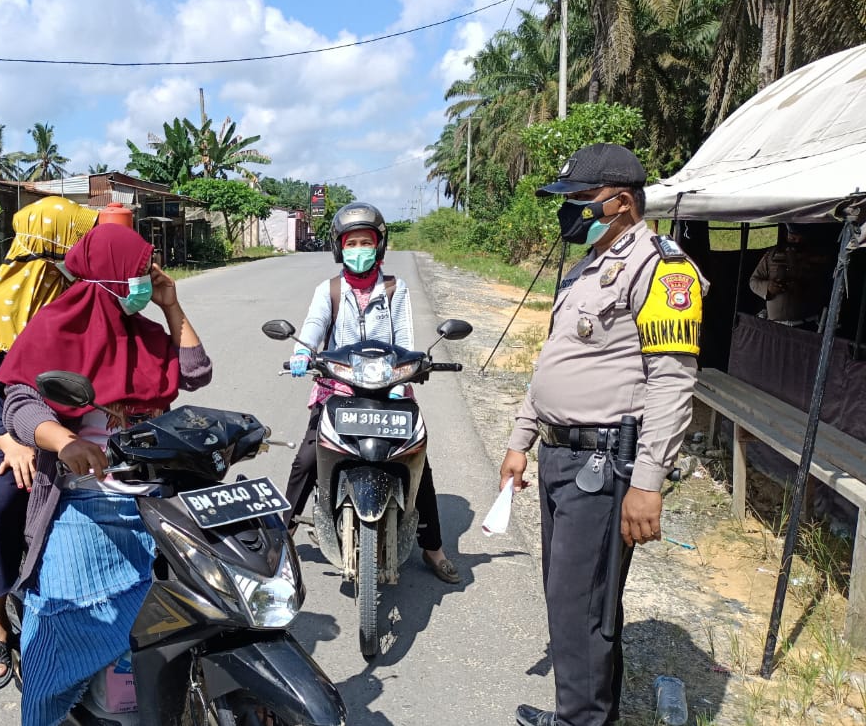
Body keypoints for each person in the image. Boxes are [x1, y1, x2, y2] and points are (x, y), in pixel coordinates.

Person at [502, 144, 706, 726]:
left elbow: (671, 383)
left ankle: (581, 720)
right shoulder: (585, 268)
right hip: (561, 459)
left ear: (620, 202)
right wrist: (521, 439)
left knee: (582, 607)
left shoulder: (663, 269)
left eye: (578, 200)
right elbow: (553, 365)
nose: (568, 212)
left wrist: (648, 482)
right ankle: (583, 715)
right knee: (572, 601)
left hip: (604, 466)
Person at [0, 223, 212, 726]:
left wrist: (171, 305)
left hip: (157, 494)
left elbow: (197, 372)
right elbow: (21, 405)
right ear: (110, 276)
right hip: (84, 496)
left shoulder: (150, 333)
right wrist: (65, 442)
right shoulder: (53, 326)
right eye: (137, 272)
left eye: (147, 272)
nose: (145, 279)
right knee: (63, 618)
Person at [0, 196, 98, 691]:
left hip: (74, 426)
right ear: (55, 242)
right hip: (5, 430)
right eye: (79, 236)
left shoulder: (84, 294)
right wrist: (8, 440)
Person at [284, 201, 460, 584]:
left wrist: (410, 373)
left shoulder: (395, 289)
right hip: (337, 388)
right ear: (339, 248)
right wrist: (303, 351)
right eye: (351, 243)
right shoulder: (328, 290)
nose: (359, 250)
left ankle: (434, 548)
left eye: (366, 242)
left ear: (379, 247)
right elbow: (314, 324)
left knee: (418, 465)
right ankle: (282, 536)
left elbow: (405, 338)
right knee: (307, 460)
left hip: (389, 391)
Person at [748, 223, 835, 328]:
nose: (796, 242)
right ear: (787, 236)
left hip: (805, 326)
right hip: (773, 327)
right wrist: (767, 288)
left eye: (800, 239)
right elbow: (753, 281)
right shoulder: (772, 255)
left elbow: (828, 287)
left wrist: (803, 290)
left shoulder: (818, 258)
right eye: (793, 238)